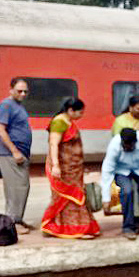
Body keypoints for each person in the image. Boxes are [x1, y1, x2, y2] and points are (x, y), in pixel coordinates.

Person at [41, 98, 99, 240]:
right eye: (80, 112)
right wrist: (56, 165)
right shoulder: (59, 122)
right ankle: (74, 229)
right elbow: (53, 144)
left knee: (74, 196)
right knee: (68, 197)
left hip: (74, 169)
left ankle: (58, 226)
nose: (81, 115)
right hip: (63, 168)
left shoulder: (68, 122)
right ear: (71, 110)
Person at [0, 78, 33, 234]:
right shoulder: (6, 105)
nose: (23, 94)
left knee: (20, 187)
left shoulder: (18, 106)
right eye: (19, 91)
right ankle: (11, 222)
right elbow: (0, 129)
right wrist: (14, 151)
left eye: (25, 91)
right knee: (16, 187)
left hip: (19, 153)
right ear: (11, 90)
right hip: (10, 154)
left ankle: (17, 219)